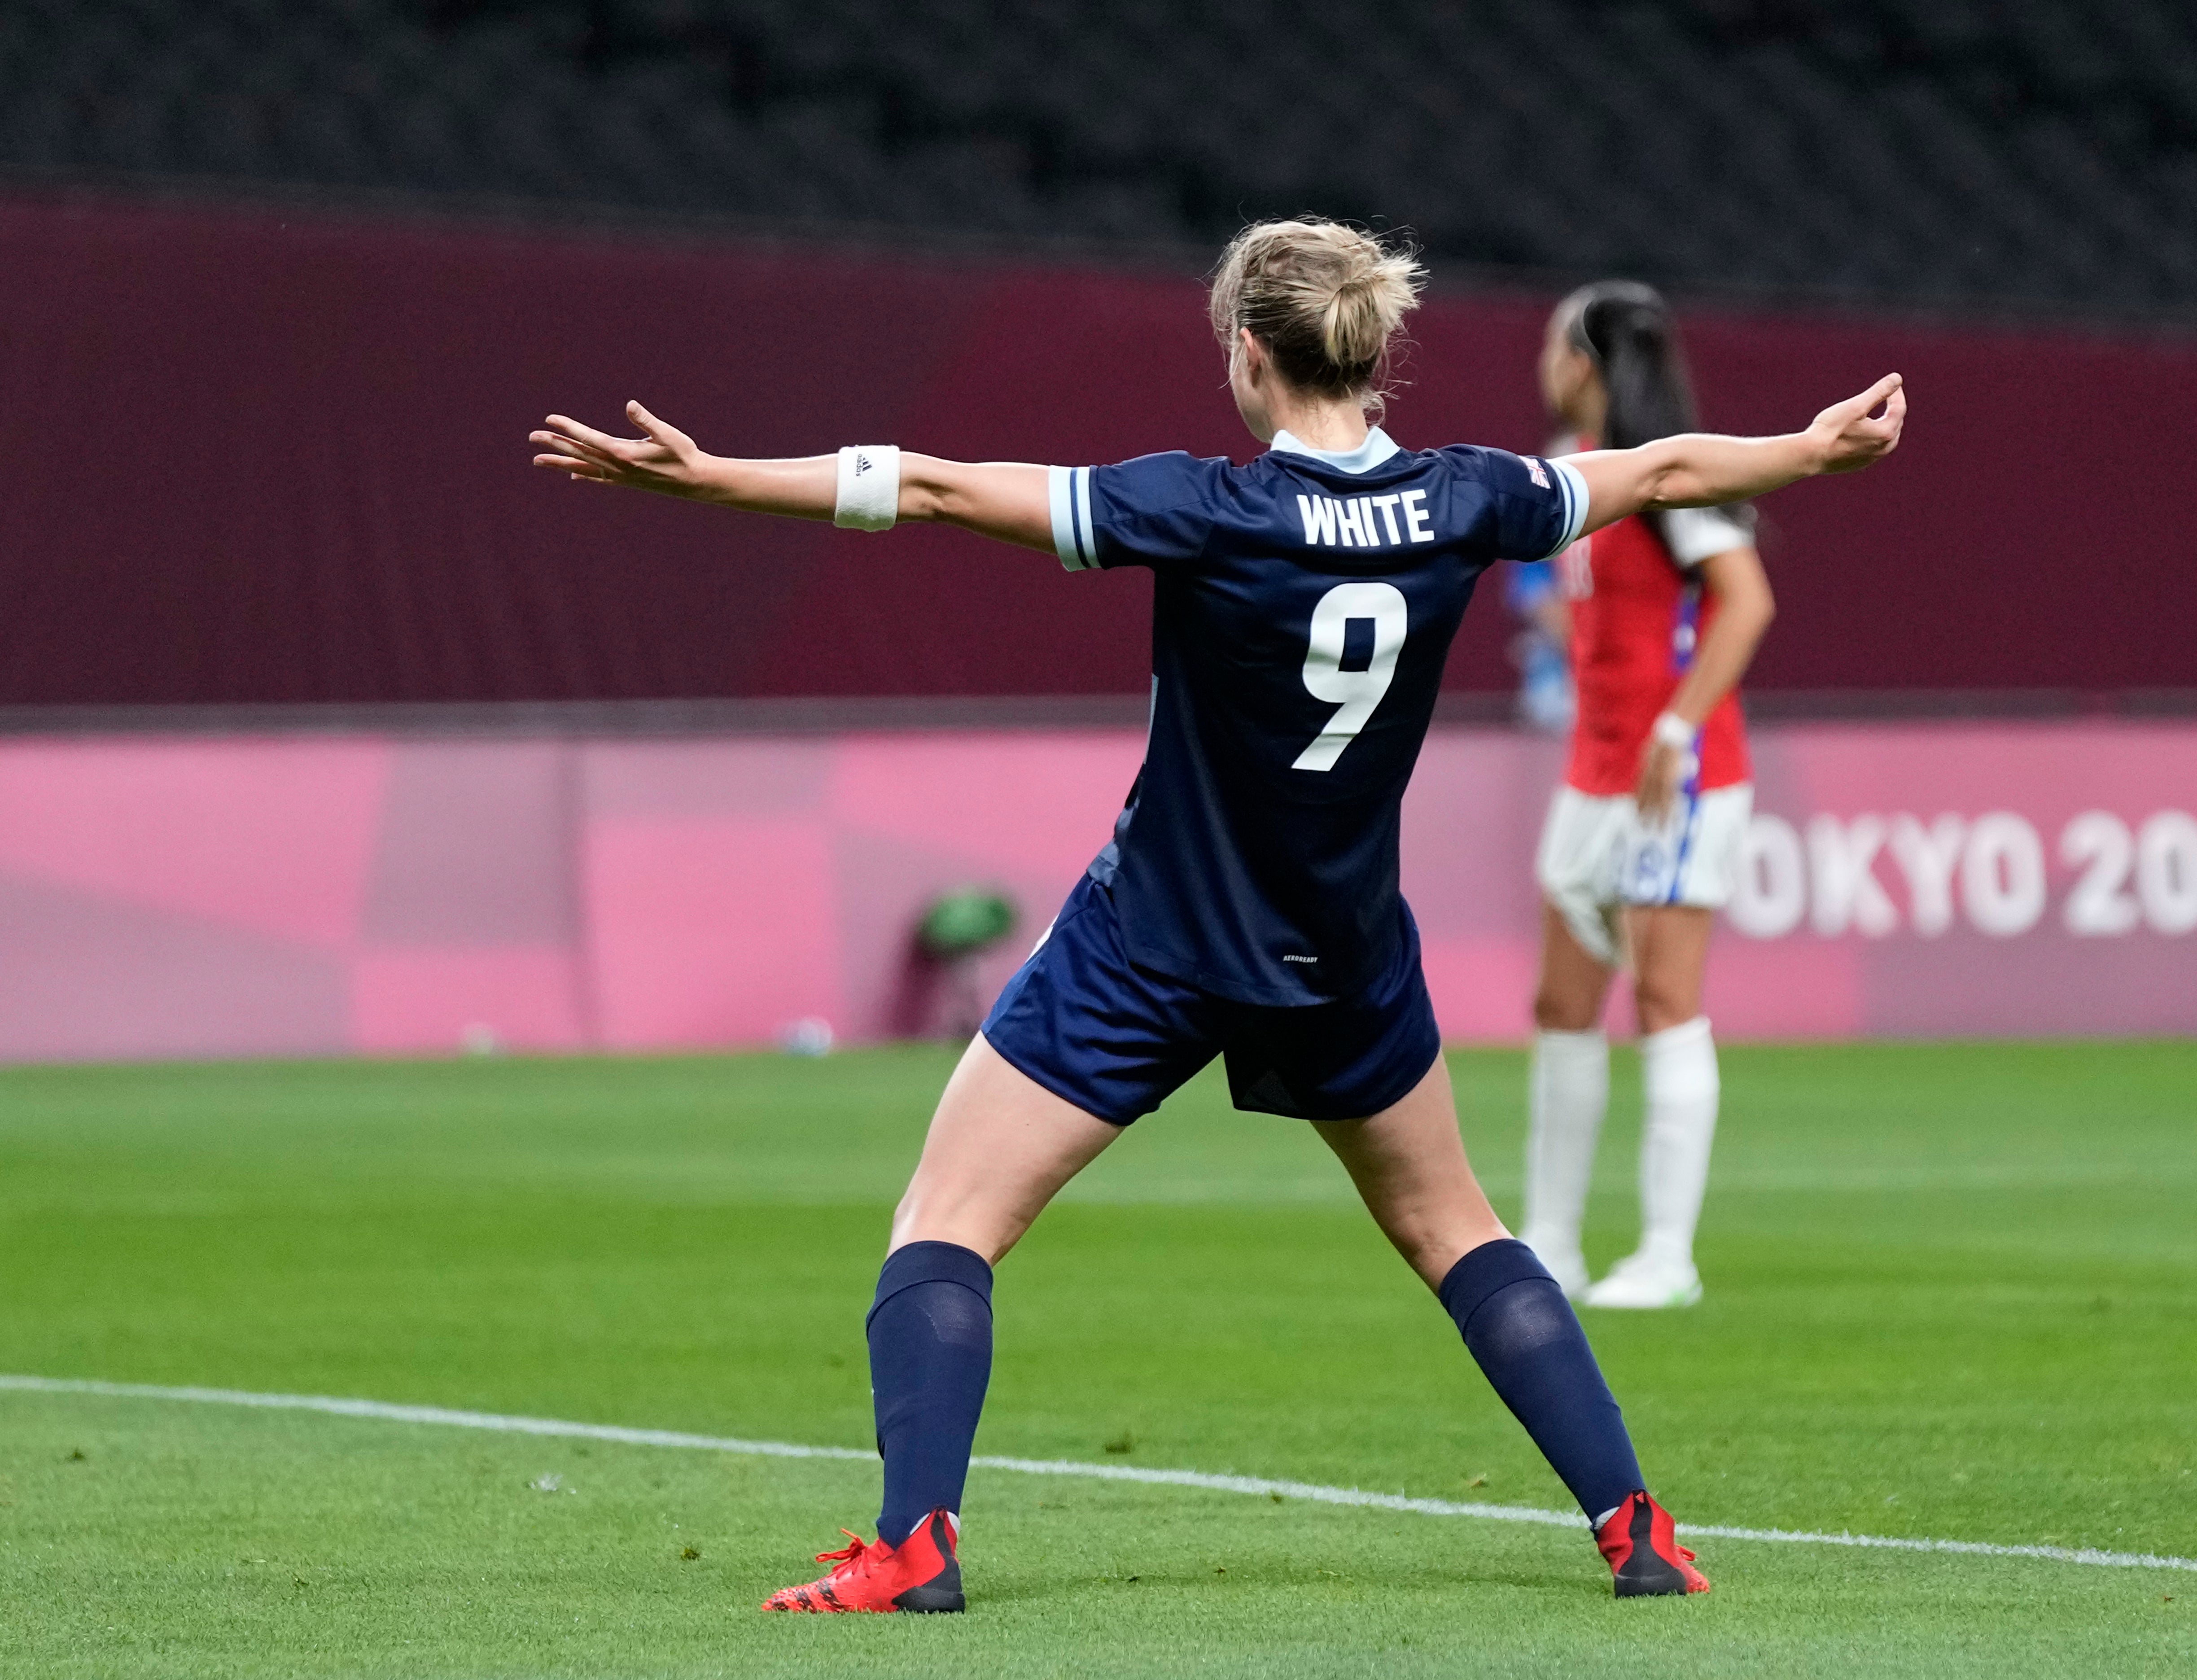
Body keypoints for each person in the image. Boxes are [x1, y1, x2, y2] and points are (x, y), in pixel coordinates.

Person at [529, 219, 1903, 1613]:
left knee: (947, 1218)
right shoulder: (1466, 501)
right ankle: (1637, 1530)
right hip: (1345, 953)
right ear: (1371, 355)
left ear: (1251, 358)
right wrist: (1816, 448)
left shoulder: (1204, 509)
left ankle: (913, 1545)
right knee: (1454, 1227)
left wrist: (713, 481)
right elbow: (1666, 466)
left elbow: (936, 489)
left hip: (1161, 940)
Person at [1519, 284, 1775, 1311]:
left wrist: (1675, 725)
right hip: (1593, 771)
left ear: (1584, 363)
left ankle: (1669, 1255)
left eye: (1553, 343)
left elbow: (1747, 602)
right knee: (1561, 1004)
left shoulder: (1678, 470)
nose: (1542, 359)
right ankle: (1549, 1242)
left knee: (1666, 1003)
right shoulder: (1576, 475)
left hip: (1679, 774)